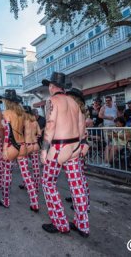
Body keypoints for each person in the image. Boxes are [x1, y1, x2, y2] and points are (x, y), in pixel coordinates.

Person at [40, 72, 89, 237]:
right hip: (75, 148)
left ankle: (60, 223)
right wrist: (83, 144)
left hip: (59, 149)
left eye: (49, 86)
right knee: (77, 186)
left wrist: (44, 149)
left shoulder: (52, 101)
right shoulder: (74, 103)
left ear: (52, 86)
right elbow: (82, 126)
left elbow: (51, 125)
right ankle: (82, 225)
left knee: (48, 183)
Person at [0, 90, 39, 212]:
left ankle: (5, 201)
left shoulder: (5, 113)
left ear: (7, 101)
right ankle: (35, 202)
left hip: (11, 145)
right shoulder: (22, 114)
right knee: (26, 175)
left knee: (7, 175)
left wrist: (4, 148)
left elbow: (7, 133)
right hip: (22, 145)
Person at [64, 88, 90, 211]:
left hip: (76, 147)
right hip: (80, 146)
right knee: (80, 177)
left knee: (77, 179)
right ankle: (84, 202)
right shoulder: (80, 111)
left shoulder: (74, 112)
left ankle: (81, 205)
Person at [20, 106, 42, 193]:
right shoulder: (35, 122)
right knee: (36, 167)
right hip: (35, 144)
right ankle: (36, 186)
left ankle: (27, 184)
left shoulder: (24, 122)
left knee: (25, 167)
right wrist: (35, 137)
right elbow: (40, 134)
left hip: (27, 145)